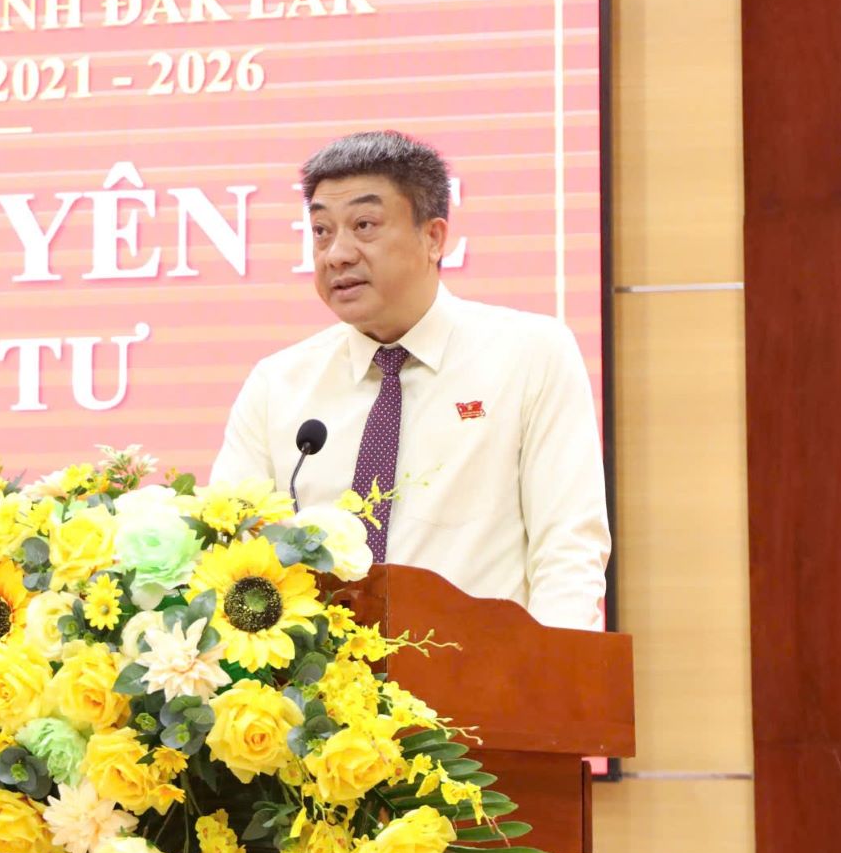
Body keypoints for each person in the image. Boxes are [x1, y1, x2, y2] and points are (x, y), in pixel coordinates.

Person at [210, 130, 609, 631]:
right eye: (321, 231)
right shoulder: (279, 384)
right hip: (323, 677)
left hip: (484, 673)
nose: (337, 254)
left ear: (433, 238)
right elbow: (228, 548)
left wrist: (555, 670)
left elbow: (568, 549)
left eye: (364, 225)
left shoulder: (530, 354)